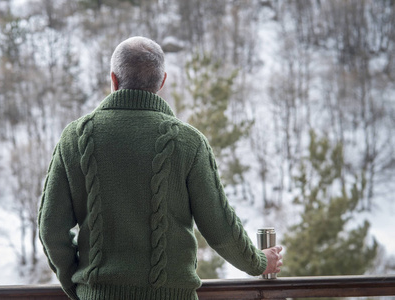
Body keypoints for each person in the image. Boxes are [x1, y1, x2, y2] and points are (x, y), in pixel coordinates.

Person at [38, 36, 283, 300]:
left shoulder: (75, 138)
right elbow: (219, 227)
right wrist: (258, 262)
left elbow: (50, 228)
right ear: (162, 81)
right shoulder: (189, 142)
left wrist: (79, 285)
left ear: (114, 80)